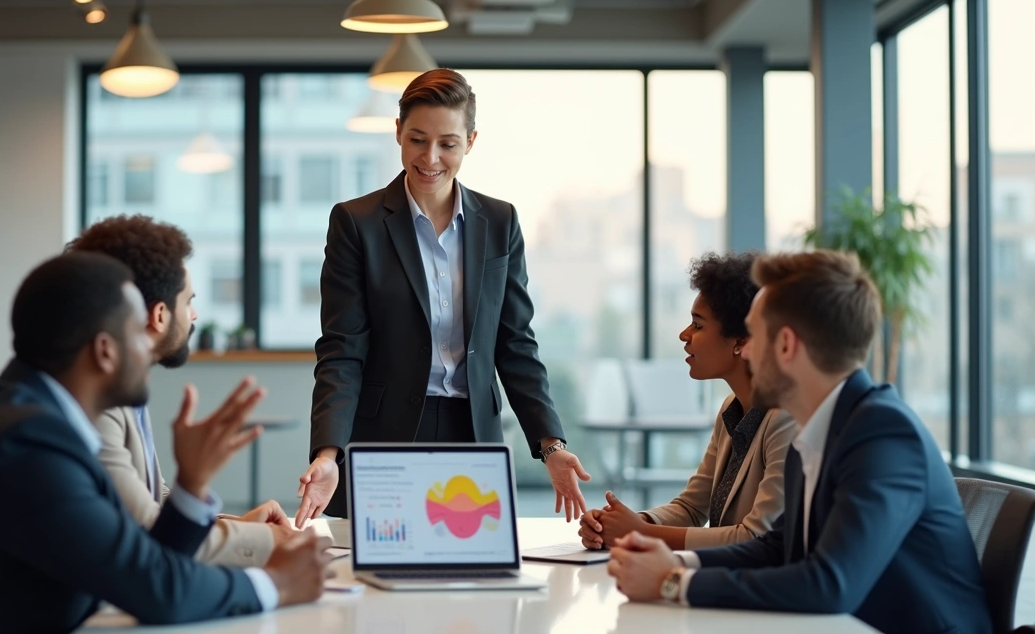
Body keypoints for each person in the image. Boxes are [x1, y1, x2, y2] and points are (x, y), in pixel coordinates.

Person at [0, 253, 333, 632]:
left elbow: (137, 562)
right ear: (105, 350)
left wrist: (192, 488)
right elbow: (155, 589)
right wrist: (276, 585)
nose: (149, 347)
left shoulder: (32, 417)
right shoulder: (26, 443)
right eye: (138, 333)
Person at [606, 250, 990, 634]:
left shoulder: (883, 434)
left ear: (786, 345)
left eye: (754, 335)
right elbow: (777, 548)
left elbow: (829, 585)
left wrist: (672, 583)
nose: (747, 352)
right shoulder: (821, 430)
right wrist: (675, 564)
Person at [296, 68, 590, 527]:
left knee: (472, 577)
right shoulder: (357, 223)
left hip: (472, 432)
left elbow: (514, 343)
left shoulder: (500, 222)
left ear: (470, 141)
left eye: (447, 144)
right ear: (397, 133)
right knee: (381, 575)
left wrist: (550, 444)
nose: (430, 157)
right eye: (417, 139)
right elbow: (342, 349)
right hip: (385, 433)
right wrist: (329, 452)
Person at [68, 215, 290, 568]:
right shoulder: (95, 405)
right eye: (188, 301)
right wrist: (266, 542)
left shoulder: (122, 391)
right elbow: (147, 533)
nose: (195, 315)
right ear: (159, 315)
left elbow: (153, 499)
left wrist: (236, 525)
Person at [578, 252, 795, 551]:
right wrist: (620, 523)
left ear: (741, 341)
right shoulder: (731, 410)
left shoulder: (785, 417)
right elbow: (691, 508)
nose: (684, 335)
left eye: (698, 324)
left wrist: (640, 532)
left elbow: (756, 537)